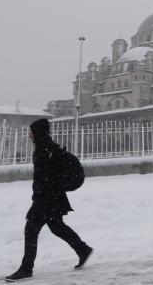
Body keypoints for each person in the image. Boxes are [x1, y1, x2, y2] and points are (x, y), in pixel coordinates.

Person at [5, 118, 93, 282]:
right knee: (57, 227)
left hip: (46, 199)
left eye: (31, 131)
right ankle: (83, 250)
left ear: (37, 132)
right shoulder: (46, 147)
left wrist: (39, 196)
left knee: (31, 229)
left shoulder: (44, 150)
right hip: (51, 197)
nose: (29, 134)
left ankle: (26, 269)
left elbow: (45, 178)